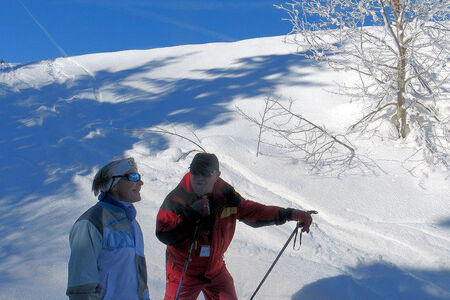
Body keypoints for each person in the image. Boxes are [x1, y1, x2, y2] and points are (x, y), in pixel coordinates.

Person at [156, 153, 317, 300]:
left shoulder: (226, 196)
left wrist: (290, 214)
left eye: (205, 173)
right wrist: (192, 214)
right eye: (195, 171)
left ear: (216, 175)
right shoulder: (177, 198)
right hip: (184, 272)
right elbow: (164, 234)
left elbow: (254, 212)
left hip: (215, 269)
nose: (198, 177)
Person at [67, 157, 150, 300]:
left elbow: (139, 277)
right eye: (133, 177)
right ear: (114, 184)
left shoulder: (133, 223)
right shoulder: (91, 223)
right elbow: (81, 287)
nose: (140, 182)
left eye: (139, 177)